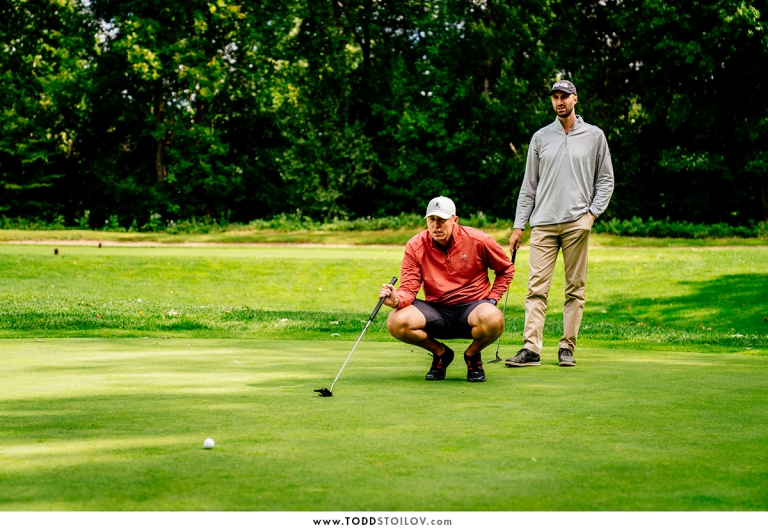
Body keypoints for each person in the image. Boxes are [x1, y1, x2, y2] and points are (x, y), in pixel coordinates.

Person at [506, 80, 614, 368]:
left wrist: (592, 214)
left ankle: (567, 348)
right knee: (535, 289)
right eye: (555, 97)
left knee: (574, 289)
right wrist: (519, 226)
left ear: (575, 99)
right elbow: (529, 186)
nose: (559, 101)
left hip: (577, 223)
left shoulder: (594, 136)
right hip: (542, 224)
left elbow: (605, 180)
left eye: (564, 96)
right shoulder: (541, 137)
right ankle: (531, 349)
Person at [378, 196, 514, 383]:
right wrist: (396, 300)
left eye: (442, 220)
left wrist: (492, 300)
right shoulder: (415, 245)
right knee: (396, 320)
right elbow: (409, 288)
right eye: (432, 220)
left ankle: (472, 355)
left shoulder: (479, 240)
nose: (436, 226)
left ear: (454, 220)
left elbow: (506, 269)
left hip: (472, 308)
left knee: (494, 318)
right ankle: (441, 354)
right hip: (436, 311)